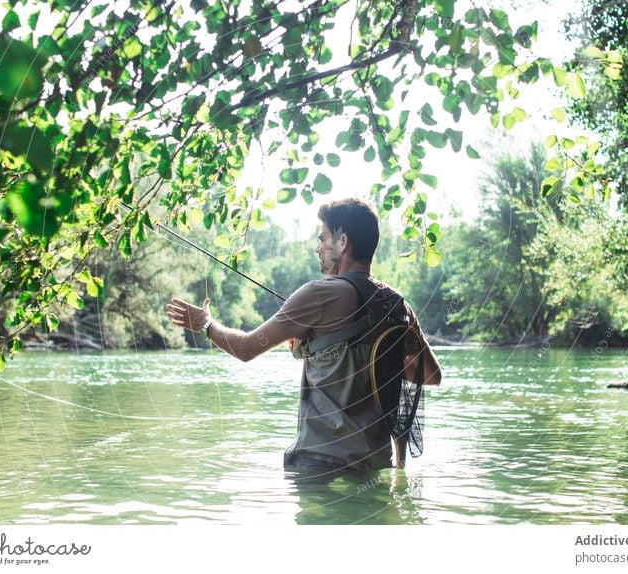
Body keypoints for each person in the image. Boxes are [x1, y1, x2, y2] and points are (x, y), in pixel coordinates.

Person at [165, 198, 441, 472]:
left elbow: (246, 349)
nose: (317, 248)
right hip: (375, 467)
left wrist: (206, 325)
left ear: (343, 242)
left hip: (319, 465)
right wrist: (370, 357)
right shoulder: (397, 304)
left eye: (323, 239)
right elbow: (430, 375)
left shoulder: (319, 294)